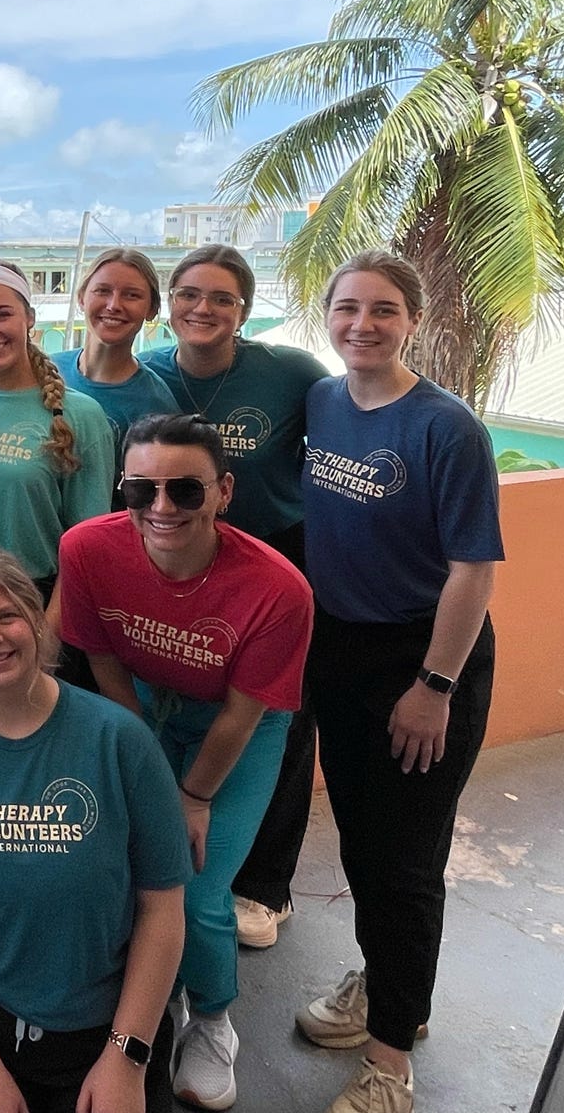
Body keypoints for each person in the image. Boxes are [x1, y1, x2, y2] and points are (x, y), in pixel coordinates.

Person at [292, 251, 503, 1113]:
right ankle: (387, 987)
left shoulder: (447, 428)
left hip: (424, 658)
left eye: (383, 309)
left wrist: (435, 685)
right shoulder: (322, 402)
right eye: (347, 308)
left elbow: (473, 570)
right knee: (362, 843)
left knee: (406, 860)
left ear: (412, 320)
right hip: (340, 649)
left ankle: (390, 1062)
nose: (363, 325)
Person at [58, 413, 313, 1111]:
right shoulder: (87, 549)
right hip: (140, 709)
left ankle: (212, 1016)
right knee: (115, 863)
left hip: (235, 726)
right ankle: (152, 991)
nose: (161, 507)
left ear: (224, 491)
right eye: (142, 490)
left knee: (194, 888)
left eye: (185, 490)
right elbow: (102, 659)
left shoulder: (277, 588)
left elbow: (243, 714)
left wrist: (193, 797)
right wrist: (146, 764)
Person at [0, 544, 190, 1113]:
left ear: (38, 620)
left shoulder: (121, 741)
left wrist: (126, 1056)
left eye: (7, 616)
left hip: (104, 1024)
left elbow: (162, 908)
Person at [139, 243, 326, 949]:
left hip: (276, 560)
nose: (204, 308)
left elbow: (346, 437)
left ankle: (266, 886)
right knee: (178, 702)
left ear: (244, 311)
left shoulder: (292, 373)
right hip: (178, 562)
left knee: (280, 718)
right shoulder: (150, 372)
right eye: (189, 294)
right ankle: (178, 861)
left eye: (222, 297)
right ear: (170, 304)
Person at [0, 258, 116, 603]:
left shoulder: (82, 415)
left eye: (2, 314)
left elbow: (86, 549)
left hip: (30, 598)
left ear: (29, 317)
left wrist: (50, 627)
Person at [51, 248, 182, 453]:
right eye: (102, 291)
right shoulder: (45, 370)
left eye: (132, 295)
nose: (114, 305)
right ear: (81, 298)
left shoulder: (156, 405)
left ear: (152, 309)